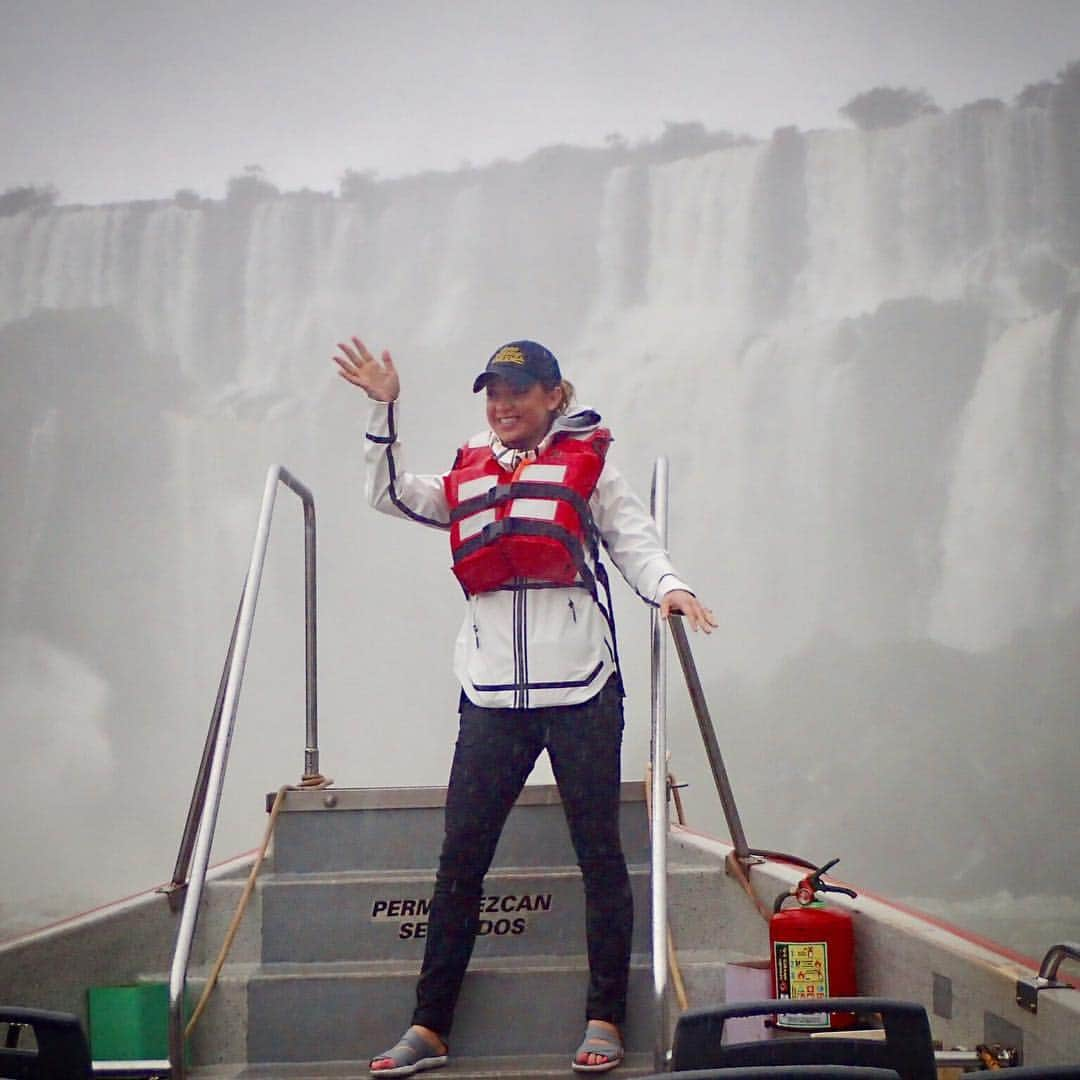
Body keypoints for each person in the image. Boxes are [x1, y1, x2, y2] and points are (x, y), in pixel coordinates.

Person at [333, 337, 716, 1076]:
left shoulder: (590, 466)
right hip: (490, 694)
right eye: (493, 393)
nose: (502, 405)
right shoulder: (469, 465)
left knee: (598, 854)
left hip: (581, 690)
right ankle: (429, 1028)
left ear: (552, 396)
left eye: (517, 392)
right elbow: (388, 493)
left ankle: (605, 1017)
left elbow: (635, 542)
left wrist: (671, 585)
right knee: (460, 859)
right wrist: (384, 407)